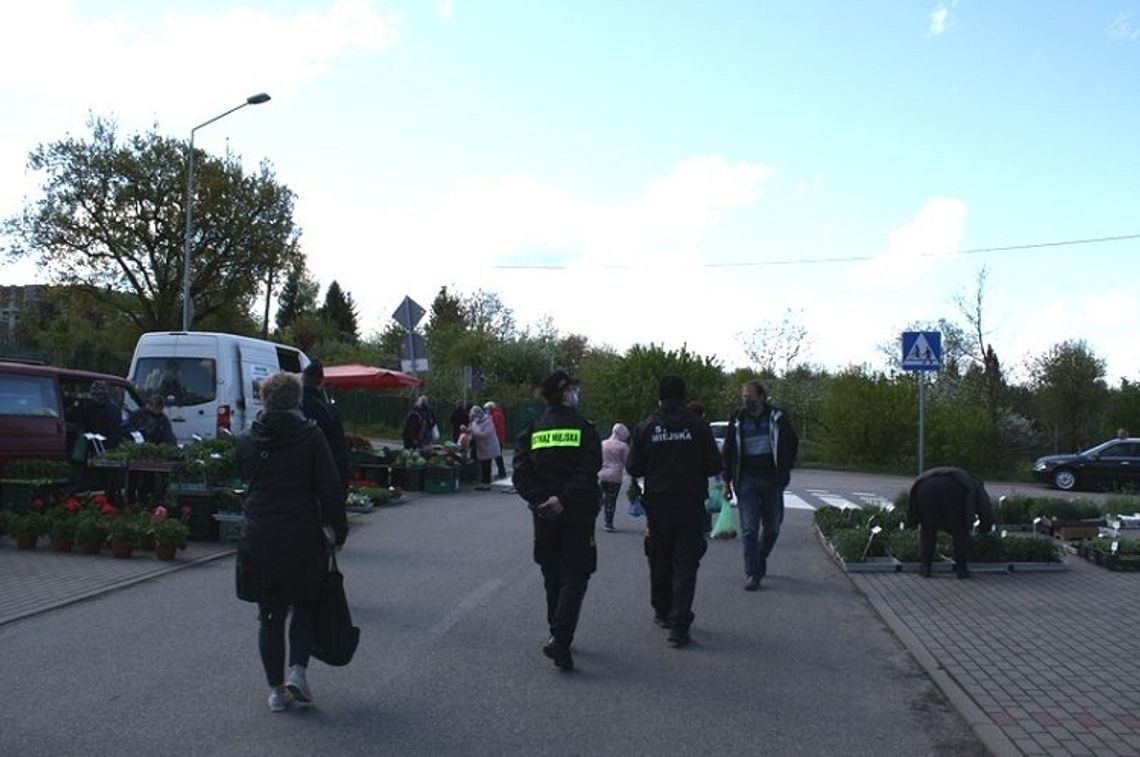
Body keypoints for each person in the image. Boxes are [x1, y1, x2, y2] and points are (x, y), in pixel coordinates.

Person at [234, 371, 348, 713]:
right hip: (302, 533)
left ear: (265, 399)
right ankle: (298, 671)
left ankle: (276, 691)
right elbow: (329, 488)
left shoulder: (249, 438)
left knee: (269, 613)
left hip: (259, 535)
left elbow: (240, 474)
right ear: (297, 400)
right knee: (303, 604)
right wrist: (336, 531)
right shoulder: (310, 436)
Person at [511, 369, 602, 671]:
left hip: (545, 515)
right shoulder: (585, 429)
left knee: (552, 572)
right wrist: (562, 499)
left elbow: (521, 474)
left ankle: (556, 631)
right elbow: (587, 473)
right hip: (576, 513)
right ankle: (560, 639)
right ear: (565, 393)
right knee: (575, 574)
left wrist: (541, 500)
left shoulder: (532, 429)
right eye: (573, 389)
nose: (576, 394)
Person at [627, 376, 722, 646]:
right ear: (683, 396)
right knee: (686, 563)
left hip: (657, 503)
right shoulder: (698, 426)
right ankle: (680, 625)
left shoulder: (647, 426)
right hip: (690, 503)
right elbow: (715, 464)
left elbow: (633, 467)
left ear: (660, 397)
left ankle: (661, 610)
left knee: (659, 558)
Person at [722, 380, 799, 591]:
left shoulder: (777, 418)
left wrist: (786, 467)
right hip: (746, 479)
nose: (746, 401)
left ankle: (760, 558)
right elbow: (728, 451)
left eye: (750, 397)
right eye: (744, 397)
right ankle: (752, 574)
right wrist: (726, 481)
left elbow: (792, 442)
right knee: (749, 528)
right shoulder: (737, 419)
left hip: (772, 480)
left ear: (762, 398)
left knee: (772, 528)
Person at [906, 467, 994, 579]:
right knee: (960, 530)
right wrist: (985, 527)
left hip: (925, 487)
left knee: (928, 529)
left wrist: (911, 520)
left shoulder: (931, 475)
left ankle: (925, 568)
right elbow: (985, 507)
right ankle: (961, 570)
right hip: (954, 491)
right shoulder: (975, 483)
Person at [300, 360, 350, 491]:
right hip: (320, 474)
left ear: (302, 380)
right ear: (321, 382)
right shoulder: (330, 412)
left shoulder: (291, 407)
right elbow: (339, 452)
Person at [597, 423, 630, 532]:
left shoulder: (603, 444)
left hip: (601, 475)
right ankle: (608, 523)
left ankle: (592, 517)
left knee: (598, 498)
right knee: (610, 500)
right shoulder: (623, 446)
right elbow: (627, 462)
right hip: (615, 477)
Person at [468, 404, 502, 490]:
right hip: (482, 447)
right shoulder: (476, 421)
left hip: (488, 446)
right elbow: (473, 430)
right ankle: (483, 482)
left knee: (487, 465)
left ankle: (487, 484)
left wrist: (473, 432)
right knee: (483, 465)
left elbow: (485, 434)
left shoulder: (488, 422)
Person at [484, 401, 508, 479]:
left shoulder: (496, 415)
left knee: (497, 456)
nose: (486, 410)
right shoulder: (498, 413)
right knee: (498, 456)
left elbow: (494, 427)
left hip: (497, 438)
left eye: (487, 409)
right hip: (499, 437)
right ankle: (501, 472)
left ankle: (501, 472)